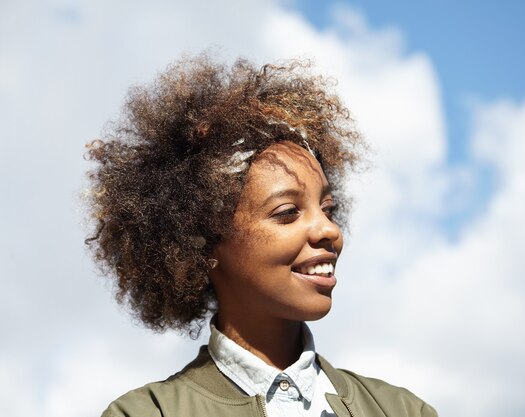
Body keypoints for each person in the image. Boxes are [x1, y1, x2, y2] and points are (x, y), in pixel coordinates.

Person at [85, 53, 438, 417]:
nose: (329, 229)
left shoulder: (402, 410)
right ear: (202, 244)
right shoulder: (149, 413)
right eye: (287, 213)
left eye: (328, 209)